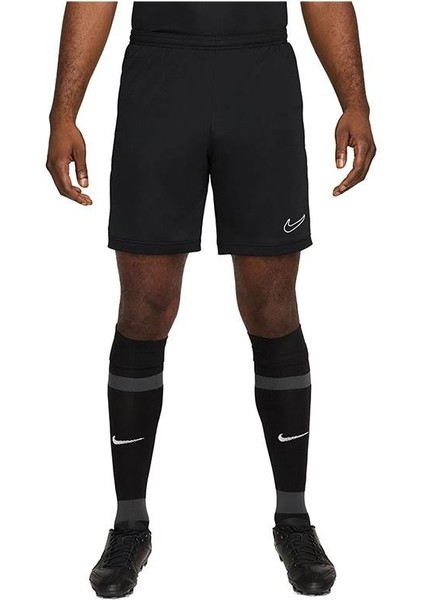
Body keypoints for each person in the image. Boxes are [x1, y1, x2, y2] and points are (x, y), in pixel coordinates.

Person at [46, 2, 376, 597]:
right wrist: (62, 113)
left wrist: (355, 102)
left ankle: (294, 518)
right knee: (145, 306)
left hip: (261, 75)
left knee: (272, 306)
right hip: (159, 71)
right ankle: (129, 525)